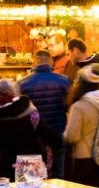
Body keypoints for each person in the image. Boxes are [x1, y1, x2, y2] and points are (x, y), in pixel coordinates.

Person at [0, 79, 63, 180]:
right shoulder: (29, 112)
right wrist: (58, 144)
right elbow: (48, 133)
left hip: (7, 163)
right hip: (30, 162)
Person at [19, 50, 71, 179]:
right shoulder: (64, 81)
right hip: (58, 130)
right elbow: (69, 106)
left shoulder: (22, 83)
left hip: (34, 134)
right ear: (51, 62)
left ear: (34, 62)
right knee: (59, 172)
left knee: (32, 177)